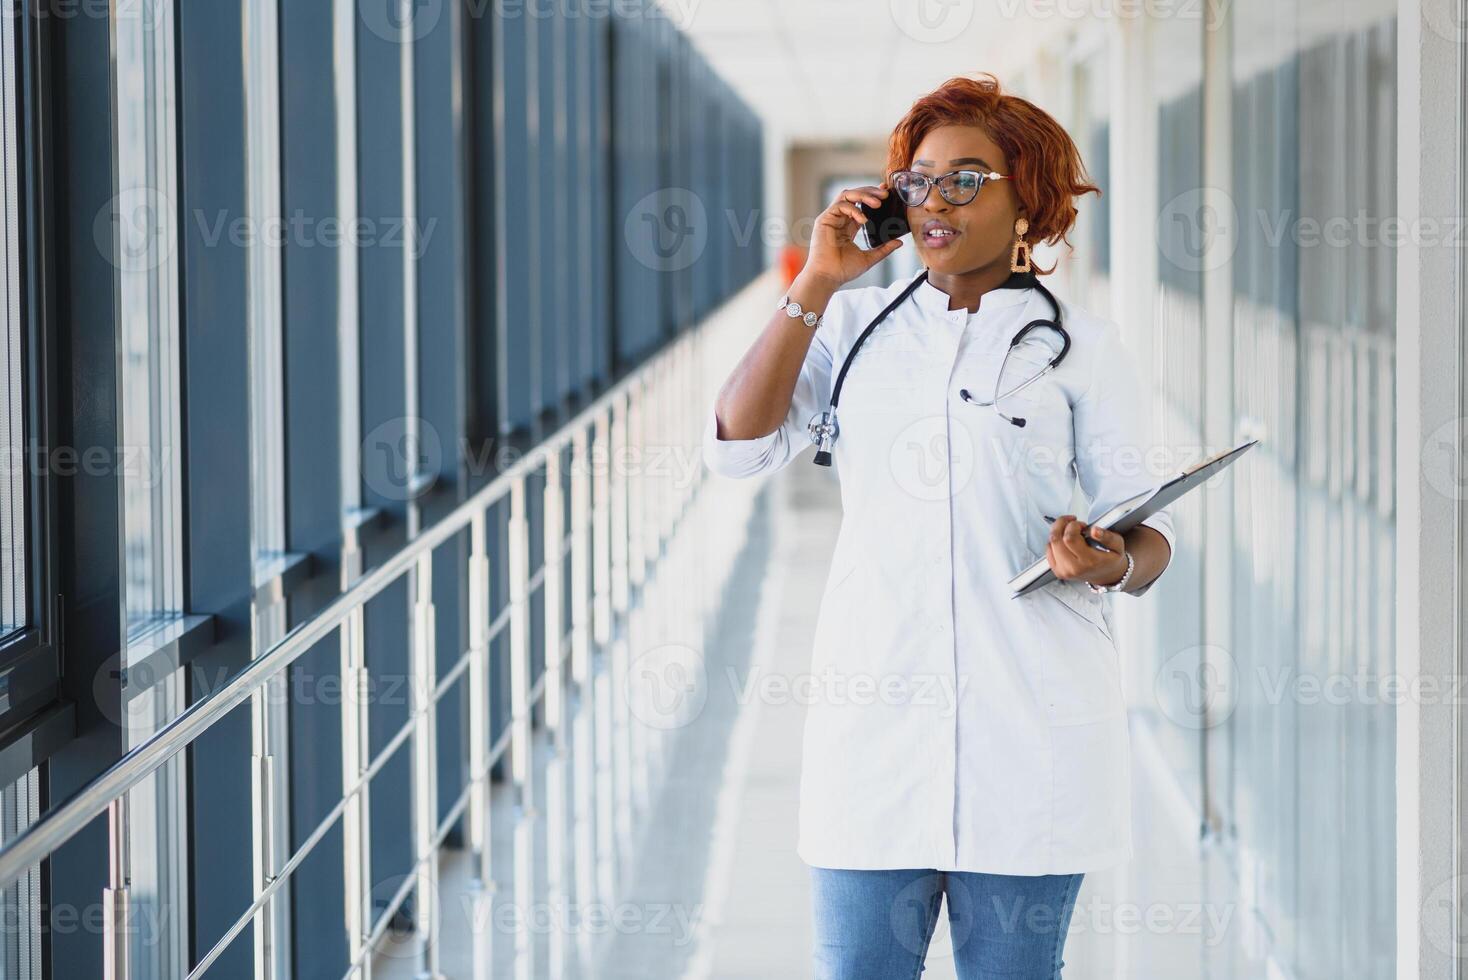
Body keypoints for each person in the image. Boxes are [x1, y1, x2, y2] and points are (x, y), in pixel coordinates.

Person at [701, 73, 1177, 979]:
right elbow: (736, 446)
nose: (933, 200)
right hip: (871, 728)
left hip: (1030, 730)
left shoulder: (1080, 346)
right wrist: (817, 280)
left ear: (1026, 199)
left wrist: (1106, 561)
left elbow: (1147, 537)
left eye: (966, 178)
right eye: (917, 180)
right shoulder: (850, 323)